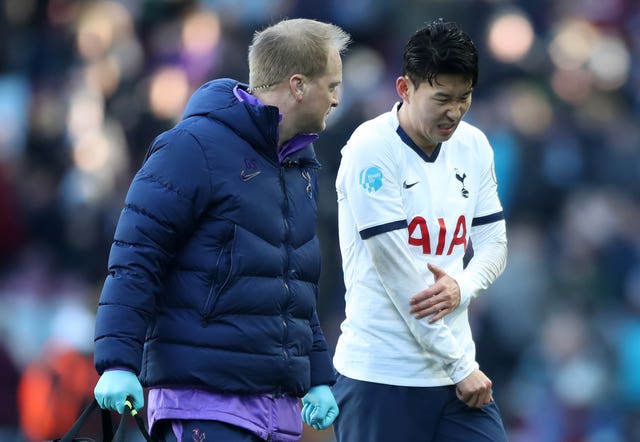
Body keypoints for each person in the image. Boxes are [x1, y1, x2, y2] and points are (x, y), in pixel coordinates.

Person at [92, 18, 351, 442]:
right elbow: (135, 259)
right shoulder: (191, 147)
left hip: (277, 414)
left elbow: (291, 286)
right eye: (332, 85)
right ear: (299, 85)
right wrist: (117, 363)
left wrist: (317, 374)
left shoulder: (300, 167)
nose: (338, 99)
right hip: (203, 406)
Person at [331, 19, 508, 441]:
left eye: (464, 98)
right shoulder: (370, 149)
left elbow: (493, 243)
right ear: (404, 89)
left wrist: (461, 288)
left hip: (454, 376)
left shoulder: (475, 145)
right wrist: (461, 366)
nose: (454, 111)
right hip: (381, 375)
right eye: (442, 98)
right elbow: (400, 275)